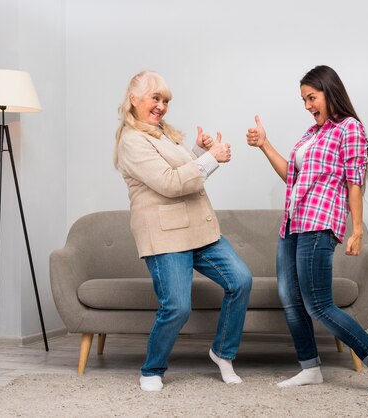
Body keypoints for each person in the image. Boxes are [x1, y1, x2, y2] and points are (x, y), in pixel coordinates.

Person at [246, 65, 368, 396]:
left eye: (311, 97)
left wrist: (356, 229)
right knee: (290, 298)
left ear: (330, 93)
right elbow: (293, 177)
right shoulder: (311, 134)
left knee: (318, 303)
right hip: (293, 223)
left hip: (320, 223)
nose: (307, 105)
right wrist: (265, 144)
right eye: (303, 99)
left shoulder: (350, 128)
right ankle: (309, 368)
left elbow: (354, 180)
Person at [114, 70, 252, 392]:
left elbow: (182, 169)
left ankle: (222, 352)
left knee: (241, 280)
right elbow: (170, 182)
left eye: (165, 100)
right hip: (166, 236)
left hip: (199, 229)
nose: (161, 106)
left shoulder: (162, 133)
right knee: (177, 306)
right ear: (134, 100)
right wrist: (210, 160)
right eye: (155, 98)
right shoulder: (132, 141)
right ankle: (152, 369)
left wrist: (200, 151)